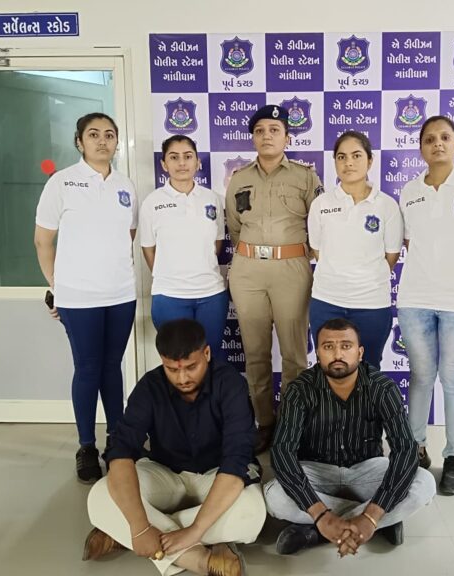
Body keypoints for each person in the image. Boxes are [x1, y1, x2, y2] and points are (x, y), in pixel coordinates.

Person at [84, 319, 266, 576]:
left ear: (207, 353)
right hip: (165, 472)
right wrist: (139, 526)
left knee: (253, 512)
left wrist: (194, 530)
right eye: (172, 369)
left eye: (191, 367)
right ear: (162, 361)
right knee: (99, 495)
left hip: (217, 475)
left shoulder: (230, 384)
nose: (182, 378)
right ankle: (199, 560)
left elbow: (236, 460)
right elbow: (121, 450)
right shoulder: (150, 386)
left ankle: (123, 533)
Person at [265, 318, 436, 557]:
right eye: (328, 347)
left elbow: (405, 449)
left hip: (366, 469)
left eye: (346, 346)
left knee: (424, 484)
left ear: (360, 352)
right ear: (318, 353)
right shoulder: (300, 389)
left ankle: (318, 531)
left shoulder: (382, 387)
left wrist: (371, 513)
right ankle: (378, 522)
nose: (337, 354)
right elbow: (283, 452)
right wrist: (324, 515)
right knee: (275, 496)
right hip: (317, 471)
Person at [34, 112, 137, 484]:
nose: (102, 140)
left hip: (121, 293)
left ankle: (117, 442)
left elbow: (127, 234)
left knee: (112, 367)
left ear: (116, 142)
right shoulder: (61, 182)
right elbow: (43, 241)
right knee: (88, 368)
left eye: (109, 134)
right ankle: (86, 446)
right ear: (79, 141)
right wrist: (57, 287)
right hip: (79, 298)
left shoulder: (125, 185)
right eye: (93, 134)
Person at [396, 115, 454, 495]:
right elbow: (409, 244)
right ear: (421, 147)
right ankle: (415, 448)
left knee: (453, 380)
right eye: (430, 139)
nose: (437, 144)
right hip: (415, 299)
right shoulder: (409, 191)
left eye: (445, 137)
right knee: (420, 377)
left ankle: (453, 457)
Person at [226, 104, 323, 454]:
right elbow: (234, 227)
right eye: (260, 130)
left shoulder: (305, 177)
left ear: (287, 138)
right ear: (253, 138)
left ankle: (293, 425)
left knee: (295, 355)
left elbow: (320, 224)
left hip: (291, 268)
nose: (266, 136)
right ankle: (265, 423)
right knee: (255, 353)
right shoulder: (239, 178)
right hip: (248, 269)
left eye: (274, 130)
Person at [307, 131, 403, 369]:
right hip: (326, 301)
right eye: (341, 157)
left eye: (356, 155)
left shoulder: (387, 205)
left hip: (371, 304)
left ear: (370, 161)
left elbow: (391, 255)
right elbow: (317, 250)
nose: (348, 162)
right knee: (329, 369)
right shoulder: (321, 204)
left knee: (368, 370)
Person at [140, 135, 227, 356]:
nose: (181, 163)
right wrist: (169, 275)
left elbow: (217, 243)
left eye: (188, 156)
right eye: (174, 157)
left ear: (198, 162)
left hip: (211, 294)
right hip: (169, 296)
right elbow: (148, 248)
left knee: (210, 358)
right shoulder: (152, 202)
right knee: (178, 361)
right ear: (164, 164)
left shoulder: (212, 199)